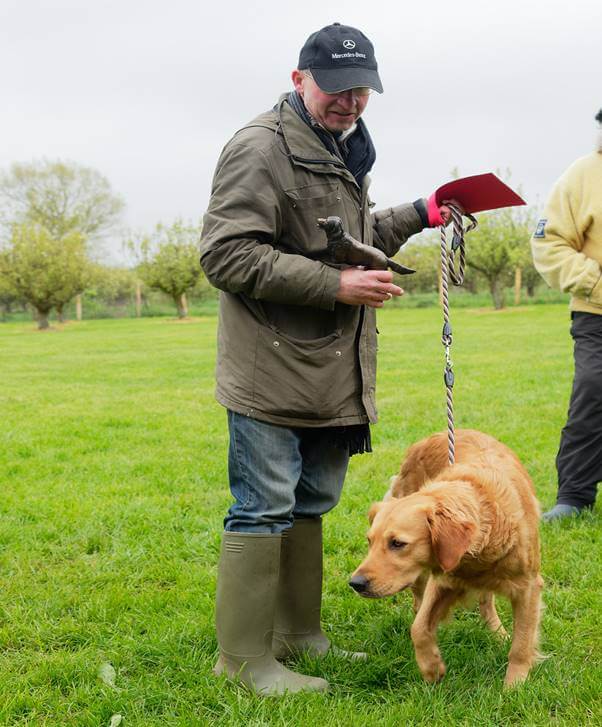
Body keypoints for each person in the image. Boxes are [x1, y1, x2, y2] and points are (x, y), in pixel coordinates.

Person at [200, 22, 454, 695]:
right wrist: (337, 285)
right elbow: (224, 254)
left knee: (311, 499)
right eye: (336, 89)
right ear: (298, 79)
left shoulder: (341, 145)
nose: (350, 101)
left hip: (327, 364)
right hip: (269, 362)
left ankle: (299, 634)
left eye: (361, 89)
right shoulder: (259, 149)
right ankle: (244, 660)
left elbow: (347, 236)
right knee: (262, 504)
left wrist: (424, 211)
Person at [531, 108, 602, 522]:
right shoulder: (582, 176)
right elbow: (549, 243)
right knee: (593, 392)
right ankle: (574, 495)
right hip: (596, 313)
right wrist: (594, 283)